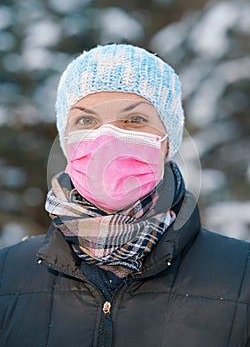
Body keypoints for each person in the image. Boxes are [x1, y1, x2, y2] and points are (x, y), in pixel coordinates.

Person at [0, 44, 249, 347]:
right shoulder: (6, 275)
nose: (106, 138)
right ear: (66, 140)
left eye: (133, 120)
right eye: (86, 121)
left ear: (167, 141)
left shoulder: (241, 274)